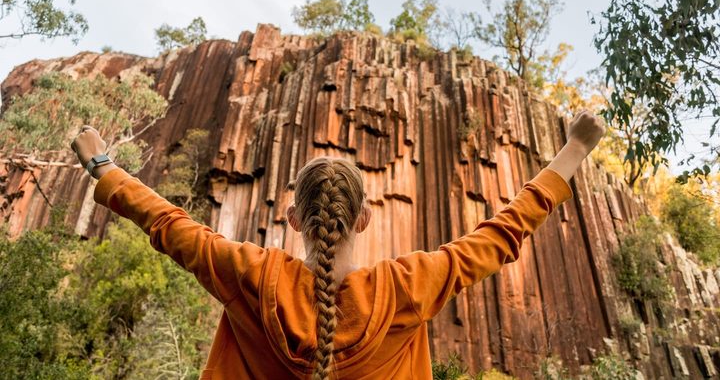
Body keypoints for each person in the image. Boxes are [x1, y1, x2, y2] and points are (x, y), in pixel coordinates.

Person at [70, 110, 605, 379]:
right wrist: (574, 150)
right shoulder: (406, 290)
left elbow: (168, 224)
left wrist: (103, 166)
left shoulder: (251, 276)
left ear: (292, 218)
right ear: (366, 219)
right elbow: (503, 232)